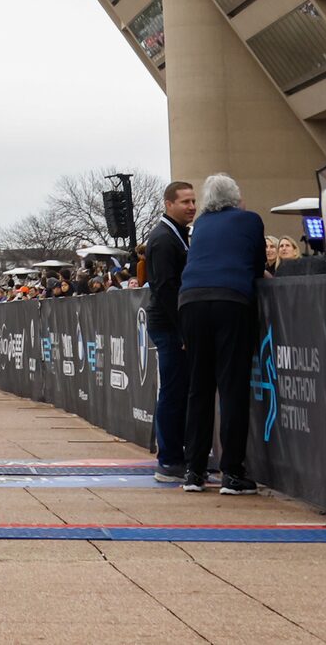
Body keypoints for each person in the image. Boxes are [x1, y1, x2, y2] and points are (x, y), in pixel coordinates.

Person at [178, 173, 271, 497]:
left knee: (199, 388)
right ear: (236, 197)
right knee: (231, 386)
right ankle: (232, 471)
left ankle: (194, 470)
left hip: (191, 301)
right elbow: (257, 263)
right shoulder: (249, 220)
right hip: (231, 299)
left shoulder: (200, 225)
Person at [142, 180, 197, 487]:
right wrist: (182, 329)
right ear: (169, 204)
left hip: (171, 324)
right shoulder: (164, 239)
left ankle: (176, 454)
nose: (191, 206)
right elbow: (164, 287)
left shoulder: (175, 235)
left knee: (178, 390)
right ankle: (169, 459)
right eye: (185, 201)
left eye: (193, 201)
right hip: (169, 325)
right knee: (173, 391)